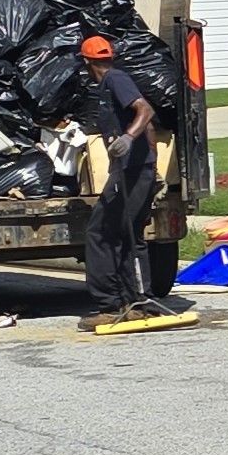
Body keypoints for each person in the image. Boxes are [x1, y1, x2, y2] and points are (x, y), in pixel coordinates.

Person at [76, 36, 162, 331]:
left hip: (133, 171)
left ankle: (110, 305)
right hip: (137, 169)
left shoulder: (116, 79)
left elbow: (145, 111)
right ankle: (139, 301)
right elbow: (149, 126)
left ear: (86, 62)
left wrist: (128, 138)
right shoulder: (107, 86)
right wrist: (154, 165)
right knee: (129, 235)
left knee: (99, 233)